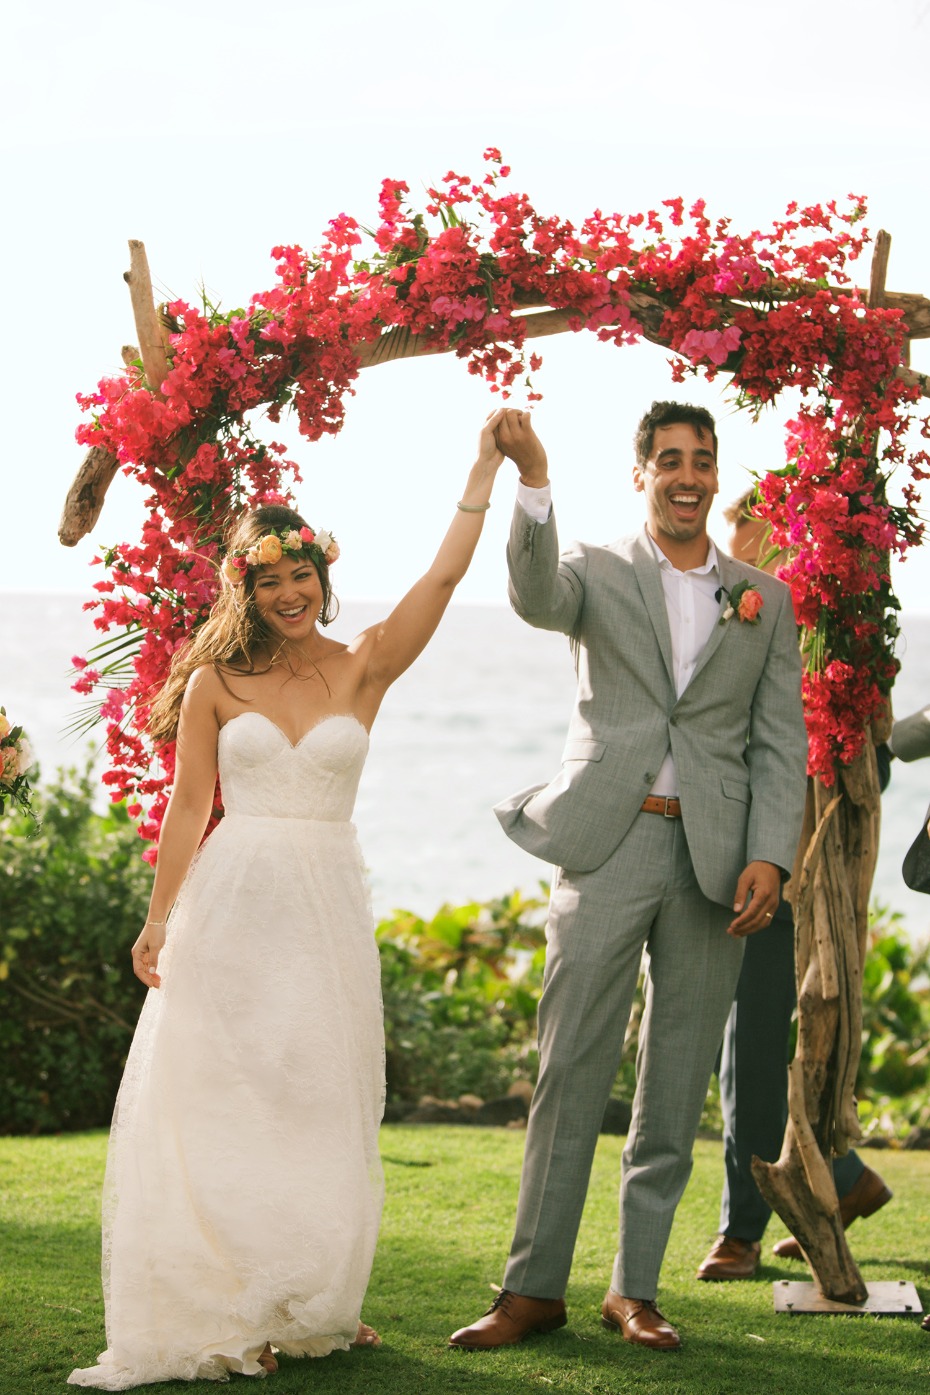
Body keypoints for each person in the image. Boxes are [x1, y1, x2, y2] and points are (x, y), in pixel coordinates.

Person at [69, 413, 506, 1388]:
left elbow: (442, 582)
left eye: (300, 575)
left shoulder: (363, 665)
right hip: (235, 902)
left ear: (320, 576)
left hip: (327, 904)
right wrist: (155, 919)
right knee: (240, 1097)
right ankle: (243, 1301)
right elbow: (188, 810)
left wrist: (483, 470)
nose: (290, 592)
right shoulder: (216, 683)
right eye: (269, 579)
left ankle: (316, 1301)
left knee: (324, 1096)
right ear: (247, 588)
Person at [449, 402, 808, 1353]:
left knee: (676, 1081)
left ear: (715, 472)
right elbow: (532, 595)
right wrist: (532, 481)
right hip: (607, 846)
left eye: (702, 460)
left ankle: (634, 1288)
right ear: (641, 472)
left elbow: (780, 743)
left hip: (716, 865)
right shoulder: (596, 573)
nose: (687, 476)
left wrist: (770, 853)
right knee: (569, 1068)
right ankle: (532, 1287)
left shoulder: (765, 599)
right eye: (669, 461)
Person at [696, 491, 893, 1281]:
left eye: (747, 537)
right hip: (731, 852)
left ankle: (744, 1226)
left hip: (786, 865)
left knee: (750, 1043)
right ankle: (843, 1180)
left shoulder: (816, 646)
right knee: (739, 1045)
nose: (732, 552)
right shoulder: (743, 621)